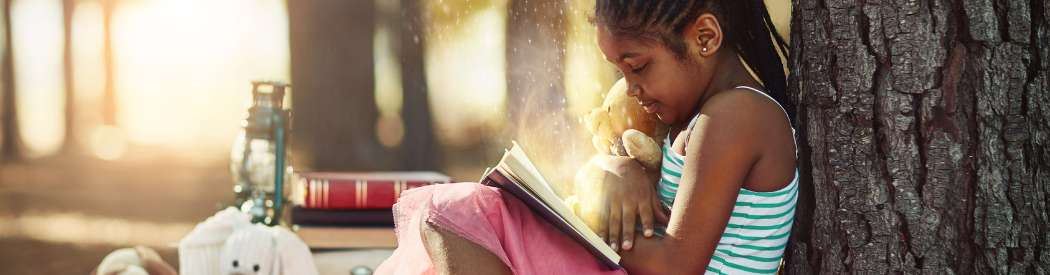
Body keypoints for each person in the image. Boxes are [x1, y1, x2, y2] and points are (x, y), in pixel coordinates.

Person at [375, 0, 795, 274]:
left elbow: (678, 265)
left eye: (638, 66)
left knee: (450, 211)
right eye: (620, 71)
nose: (629, 88)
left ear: (705, 37)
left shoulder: (737, 115)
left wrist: (581, 218)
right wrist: (614, 167)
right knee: (449, 217)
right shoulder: (696, 116)